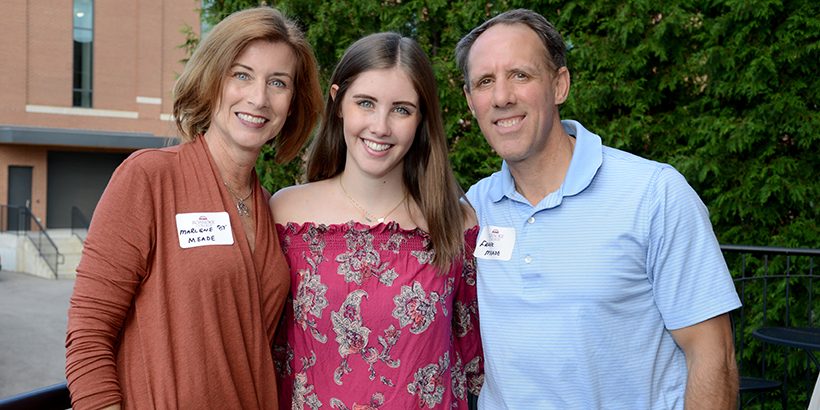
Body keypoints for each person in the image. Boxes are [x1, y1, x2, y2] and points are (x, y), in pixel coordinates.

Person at [455, 8, 741, 410]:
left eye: (520, 75)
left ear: (559, 85)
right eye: (485, 82)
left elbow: (713, 358)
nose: (502, 97)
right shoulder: (474, 209)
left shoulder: (654, 195)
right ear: (470, 102)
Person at [64, 7, 322, 410]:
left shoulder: (272, 208)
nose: (259, 97)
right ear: (211, 80)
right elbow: (88, 335)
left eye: (278, 82)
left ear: (292, 103)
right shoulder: (149, 178)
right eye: (242, 75)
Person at [269, 32, 483, 409]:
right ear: (337, 102)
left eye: (401, 109)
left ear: (421, 119)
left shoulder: (455, 222)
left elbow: (476, 364)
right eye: (365, 103)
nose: (380, 126)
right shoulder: (285, 215)